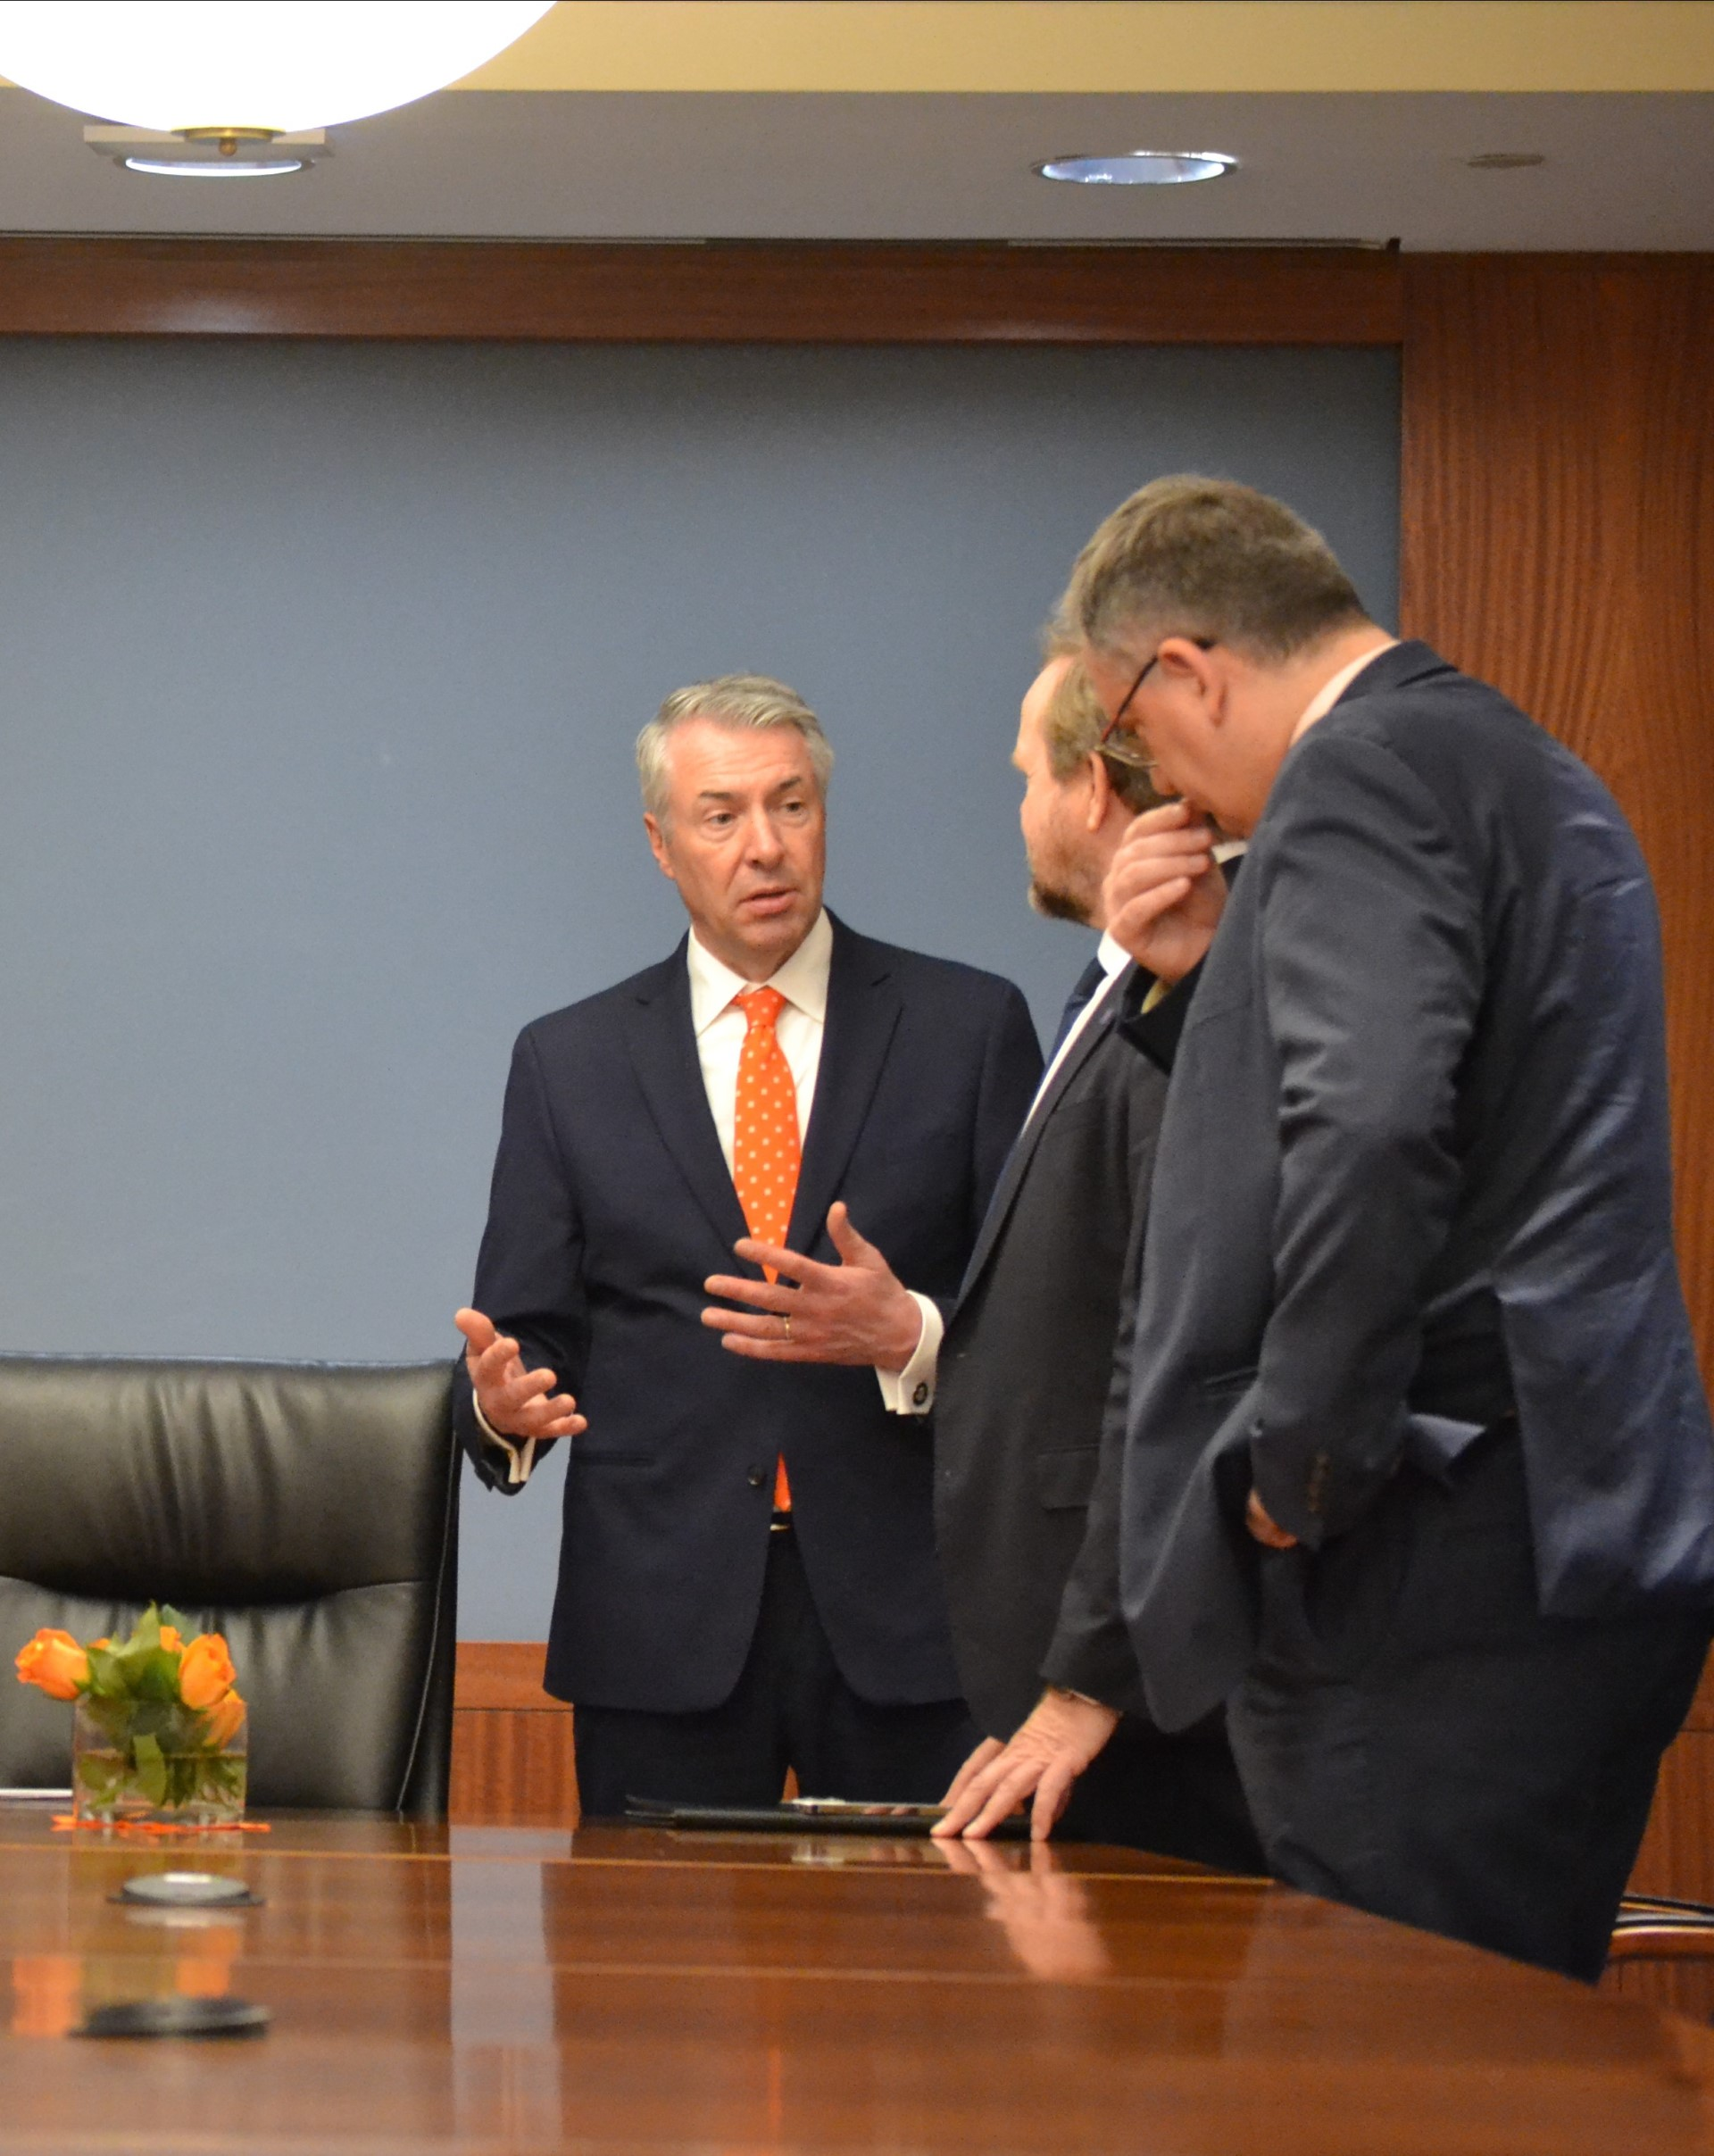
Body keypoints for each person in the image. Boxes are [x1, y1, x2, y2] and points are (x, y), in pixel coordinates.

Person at [1059, 473, 1714, 1980]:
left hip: (1425, 1572)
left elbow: (1370, 1130)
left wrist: (1308, 1463)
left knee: (1371, 2085)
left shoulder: (1355, 777)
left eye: (1130, 738)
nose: (1160, 790)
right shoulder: (1525, 765)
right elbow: (1461, 1110)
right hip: (1570, 1538)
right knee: (1487, 2073)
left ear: (1188, 671)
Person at [705, 644, 1261, 1870]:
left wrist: (1083, 1676)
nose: (1016, 810)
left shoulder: (1184, 1005)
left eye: (1026, 778)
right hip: (1059, 1668)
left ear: (1096, 794)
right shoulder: (1126, 991)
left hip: (1128, 1683)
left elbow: (1160, 1358)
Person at [454, 674, 1042, 1818]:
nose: (764, 847)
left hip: (916, 1617)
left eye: (792, 807)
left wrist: (911, 1335)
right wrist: (502, 1409)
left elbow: (1056, 1327)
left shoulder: (969, 1030)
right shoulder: (567, 1062)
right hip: (658, 1621)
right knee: (641, 1987)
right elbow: (525, 1338)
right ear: (662, 844)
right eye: (722, 816)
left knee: (934, 1986)